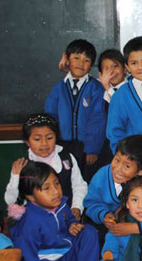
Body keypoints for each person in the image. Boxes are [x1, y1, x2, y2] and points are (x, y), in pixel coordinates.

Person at [9, 161, 99, 261]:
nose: (56, 191)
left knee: (89, 232)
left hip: (65, 253)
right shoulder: (29, 223)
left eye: (56, 183)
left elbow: (69, 220)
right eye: (46, 188)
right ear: (31, 197)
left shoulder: (61, 204)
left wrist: (72, 225)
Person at [83, 135, 142, 240]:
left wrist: (135, 228)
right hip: (109, 230)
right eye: (117, 160)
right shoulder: (102, 175)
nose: (118, 169)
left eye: (127, 166)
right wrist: (104, 215)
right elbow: (91, 203)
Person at [4, 113, 86, 221]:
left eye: (49, 138)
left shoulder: (67, 158)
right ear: (27, 142)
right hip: (37, 221)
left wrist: (76, 206)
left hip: (66, 216)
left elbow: (79, 186)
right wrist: (15, 176)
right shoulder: (23, 166)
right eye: (37, 139)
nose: (44, 144)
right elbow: (11, 200)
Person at [45, 39, 107, 179]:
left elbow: (98, 120)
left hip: (86, 149)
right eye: (76, 58)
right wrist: (52, 143)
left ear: (91, 64)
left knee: (85, 180)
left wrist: (92, 148)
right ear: (67, 60)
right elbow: (51, 116)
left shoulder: (96, 88)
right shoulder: (59, 88)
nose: (80, 63)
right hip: (62, 146)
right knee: (65, 181)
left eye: (86, 60)